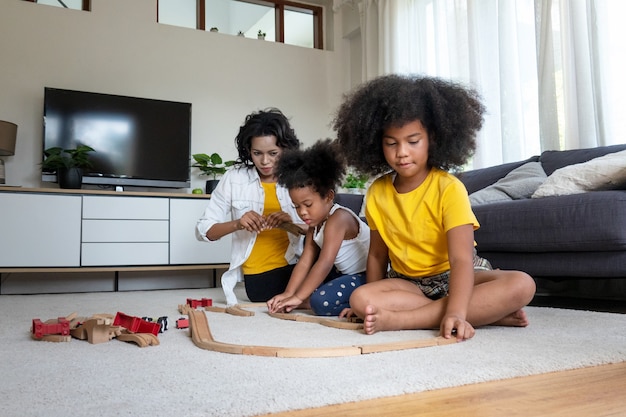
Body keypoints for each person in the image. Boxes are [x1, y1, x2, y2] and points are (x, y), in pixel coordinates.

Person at [333, 74, 536, 340]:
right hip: (410, 285)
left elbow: (461, 260)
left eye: (413, 141)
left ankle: (408, 320)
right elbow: (376, 256)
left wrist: (458, 312)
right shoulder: (377, 193)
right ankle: (484, 313)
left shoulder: (448, 188)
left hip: (460, 275)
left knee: (522, 285)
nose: (402, 152)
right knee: (361, 298)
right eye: (391, 143)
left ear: (434, 139)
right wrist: (369, 307)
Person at [196, 108, 304, 306]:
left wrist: (290, 224)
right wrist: (238, 223)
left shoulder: (299, 177)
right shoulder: (235, 178)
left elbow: (321, 231)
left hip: (299, 264)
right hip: (261, 276)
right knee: (325, 287)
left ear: (286, 149)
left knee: (338, 266)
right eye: (257, 153)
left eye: (273, 153)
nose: (265, 161)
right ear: (248, 150)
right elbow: (204, 231)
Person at [267, 139, 370, 316]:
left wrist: (299, 298)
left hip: (366, 277)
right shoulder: (315, 225)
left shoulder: (338, 219)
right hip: (341, 274)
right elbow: (305, 261)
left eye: (308, 204)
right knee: (307, 287)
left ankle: (359, 307)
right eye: (297, 206)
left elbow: (324, 263)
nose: (303, 212)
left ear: (329, 196)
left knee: (319, 301)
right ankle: (309, 300)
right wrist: (289, 293)